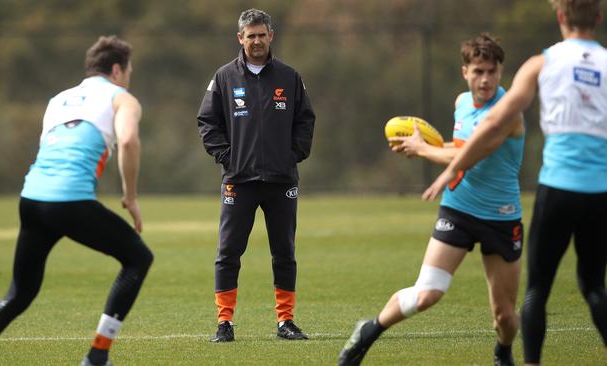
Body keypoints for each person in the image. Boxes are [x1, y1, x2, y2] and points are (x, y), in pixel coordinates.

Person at [423, 1, 607, 365]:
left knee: (537, 289)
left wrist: (451, 166)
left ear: (559, 17)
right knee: (594, 286)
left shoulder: (543, 63)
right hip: (600, 192)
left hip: (558, 188)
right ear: (599, 18)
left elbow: (493, 124)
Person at [0, 35, 153, 366]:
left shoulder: (58, 99)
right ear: (117, 69)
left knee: (19, 292)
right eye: (129, 70)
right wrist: (130, 196)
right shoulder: (123, 99)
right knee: (138, 259)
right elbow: (129, 140)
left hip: (32, 199)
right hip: (70, 201)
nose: (129, 77)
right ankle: (97, 356)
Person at [339, 34, 525, 366]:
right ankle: (368, 333)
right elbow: (458, 147)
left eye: (492, 72)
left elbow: (473, 155)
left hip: (502, 215)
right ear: (464, 71)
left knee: (506, 317)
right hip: (459, 208)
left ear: (501, 72)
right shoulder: (462, 103)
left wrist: (422, 149)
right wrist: (425, 148)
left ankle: (503, 349)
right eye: (478, 71)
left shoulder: (508, 113)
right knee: (427, 294)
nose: (485, 80)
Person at [197, 8, 315, 342]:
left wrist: (293, 155)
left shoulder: (289, 77)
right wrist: (226, 157)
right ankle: (224, 323)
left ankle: (286, 322)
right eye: (251, 35)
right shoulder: (224, 77)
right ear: (240, 38)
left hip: (282, 181)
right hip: (239, 181)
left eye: (262, 34)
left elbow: (306, 120)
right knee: (228, 252)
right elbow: (207, 121)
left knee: (284, 252)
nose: (257, 40)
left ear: (271, 36)